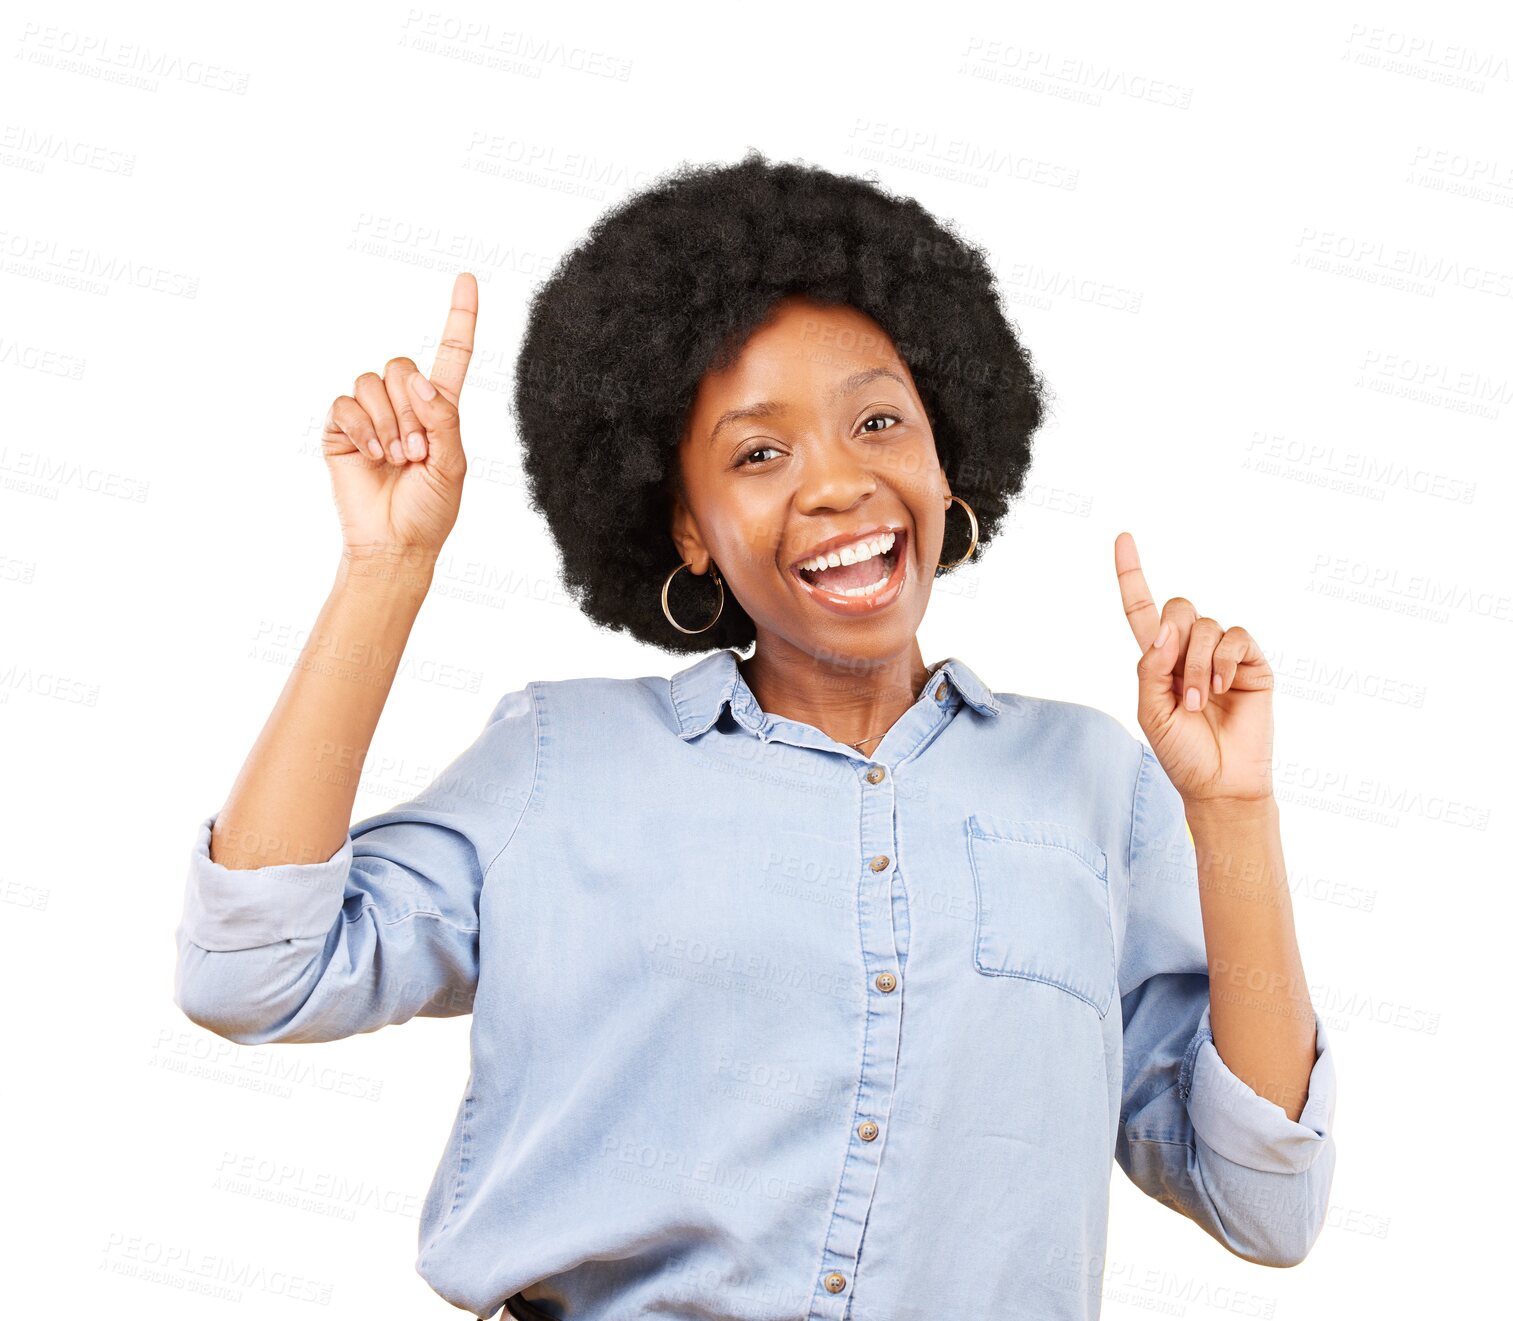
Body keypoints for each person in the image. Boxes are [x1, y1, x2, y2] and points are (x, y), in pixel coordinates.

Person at [173, 152, 1336, 1321]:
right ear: (686, 525)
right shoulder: (560, 763)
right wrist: (387, 568)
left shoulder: (1090, 783)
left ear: (948, 456)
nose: (837, 484)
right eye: (758, 452)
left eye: (878, 421)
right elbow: (251, 969)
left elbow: (1265, 1203)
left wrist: (1233, 812)